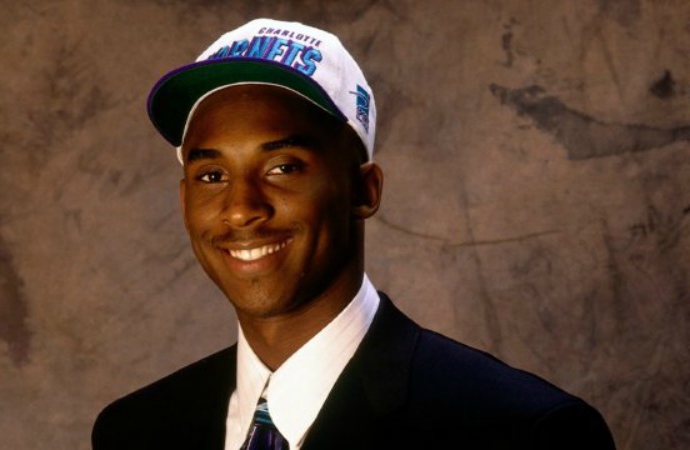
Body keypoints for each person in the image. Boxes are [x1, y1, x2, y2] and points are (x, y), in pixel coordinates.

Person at [92, 18, 616, 449]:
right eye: (212, 176)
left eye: (283, 167)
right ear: (184, 201)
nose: (241, 209)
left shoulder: (523, 432)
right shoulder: (134, 432)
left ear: (363, 190)